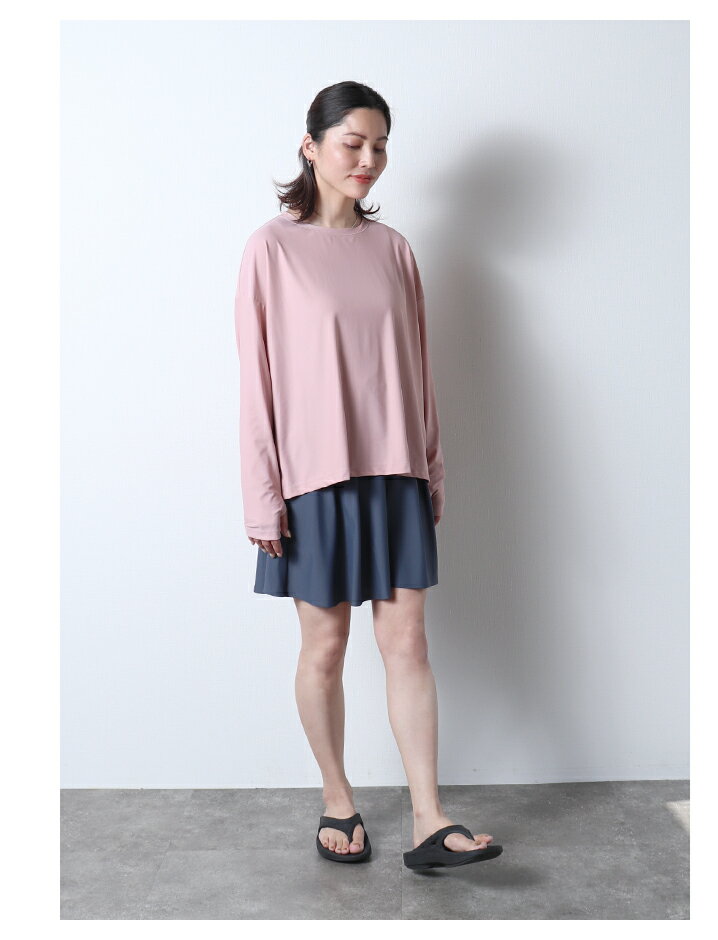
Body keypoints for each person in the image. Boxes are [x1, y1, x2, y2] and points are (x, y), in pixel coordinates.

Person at [234, 81, 501, 871]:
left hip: (396, 471)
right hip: (313, 478)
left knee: (408, 641)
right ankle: (337, 799)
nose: (369, 159)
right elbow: (257, 382)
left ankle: (429, 819)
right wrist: (262, 495)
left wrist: (431, 466)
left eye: (380, 145)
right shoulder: (271, 249)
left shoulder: (394, 250)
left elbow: (418, 369)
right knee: (325, 646)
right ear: (311, 146)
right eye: (353, 142)